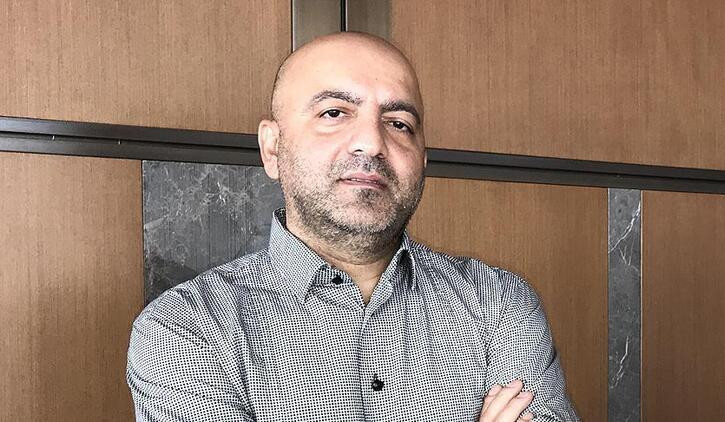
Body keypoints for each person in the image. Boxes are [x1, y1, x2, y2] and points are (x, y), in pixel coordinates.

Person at [126, 32, 579, 422]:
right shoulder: (184, 329)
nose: (371, 142)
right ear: (272, 147)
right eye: (334, 113)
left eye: (398, 123)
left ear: (423, 160)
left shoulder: (499, 303)